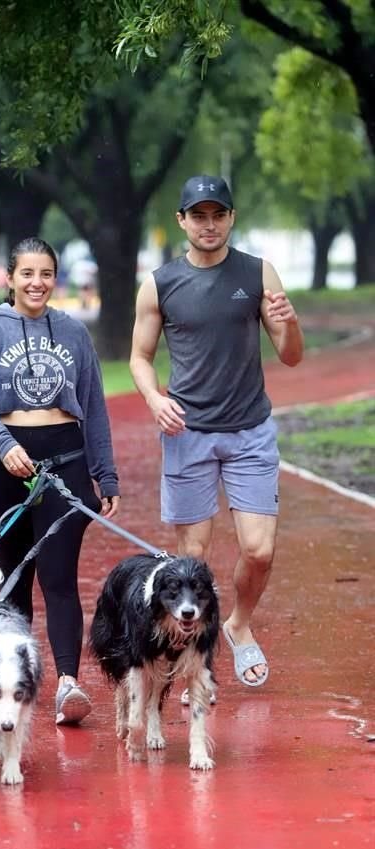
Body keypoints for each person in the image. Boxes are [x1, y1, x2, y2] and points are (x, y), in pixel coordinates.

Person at [130, 175, 304, 692]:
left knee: (259, 551)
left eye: (219, 214)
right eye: (198, 215)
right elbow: (139, 358)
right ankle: (191, 665)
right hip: (188, 433)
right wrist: (155, 398)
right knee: (193, 562)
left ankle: (238, 625)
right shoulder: (160, 283)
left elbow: (291, 354)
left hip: (250, 429)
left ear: (231, 217)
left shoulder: (257, 272)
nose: (209, 225)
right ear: (181, 220)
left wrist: (289, 322)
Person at [0, 237, 120, 725]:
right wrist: (5, 446)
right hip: (4, 467)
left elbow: (93, 406)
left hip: (64, 465)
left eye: (46, 274)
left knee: (59, 576)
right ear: (10, 278)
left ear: (56, 278)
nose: (37, 283)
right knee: (15, 583)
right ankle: (14, 685)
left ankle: (69, 685)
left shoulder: (72, 331)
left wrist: (105, 471)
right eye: (27, 273)